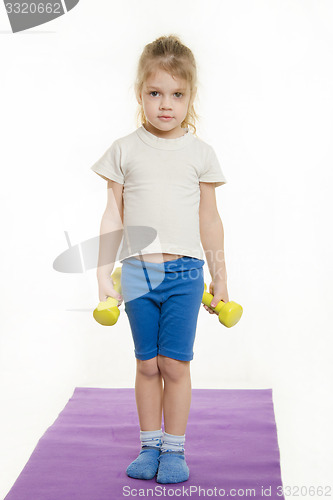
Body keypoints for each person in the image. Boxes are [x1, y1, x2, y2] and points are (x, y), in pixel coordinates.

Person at [91, 34, 229, 484]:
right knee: (147, 364)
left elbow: (210, 219)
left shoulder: (200, 154)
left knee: (175, 363)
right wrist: (101, 276)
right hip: (136, 273)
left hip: (186, 274)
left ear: (190, 97)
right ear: (140, 94)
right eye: (155, 93)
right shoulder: (124, 150)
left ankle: (174, 448)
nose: (165, 104)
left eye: (177, 94)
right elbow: (113, 215)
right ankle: (149, 443)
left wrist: (221, 278)